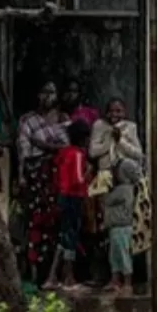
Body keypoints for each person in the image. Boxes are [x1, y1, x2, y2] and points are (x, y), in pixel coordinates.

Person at [16, 81, 68, 286]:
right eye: (44, 92)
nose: (48, 96)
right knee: (35, 224)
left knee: (57, 225)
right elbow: (23, 152)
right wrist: (20, 176)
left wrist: (43, 145)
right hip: (36, 178)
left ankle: (55, 275)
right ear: (38, 95)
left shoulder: (63, 119)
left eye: (52, 92)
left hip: (58, 180)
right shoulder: (28, 121)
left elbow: (67, 148)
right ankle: (34, 273)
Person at [48, 119, 93, 291]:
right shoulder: (77, 154)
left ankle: (53, 276)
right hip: (73, 197)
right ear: (83, 139)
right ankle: (68, 276)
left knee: (63, 236)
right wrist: (87, 173)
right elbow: (77, 180)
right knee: (71, 237)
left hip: (63, 196)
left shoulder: (64, 153)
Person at [103, 158, 142, 296]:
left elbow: (108, 200)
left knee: (123, 255)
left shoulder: (124, 189)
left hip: (122, 228)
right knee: (114, 256)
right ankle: (115, 280)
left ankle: (127, 282)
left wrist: (106, 189)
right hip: (116, 228)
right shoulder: (126, 188)